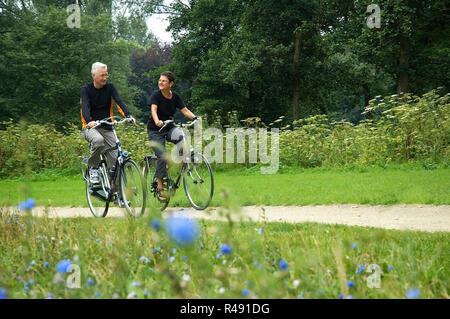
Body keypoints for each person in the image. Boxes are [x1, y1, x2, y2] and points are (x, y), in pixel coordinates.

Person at [80, 62, 136, 205]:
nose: (105, 78)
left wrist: (128, 116)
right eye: (102, 75)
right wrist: (89, 121)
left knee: (115, 161)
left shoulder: (110, 88)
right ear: (94, 76)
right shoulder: (86, 89)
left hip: (107, 127)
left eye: (106, 75)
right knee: (98, 141)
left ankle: (118, 196)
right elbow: (85, 107)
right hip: (90, 128)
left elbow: (119, 102)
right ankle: (92, 167)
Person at [147, 71, 200, 201]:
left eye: (164, 81)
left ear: (171, 84)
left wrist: (195, 117)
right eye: (160, 80)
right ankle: (160, 187)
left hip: (169, 127)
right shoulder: (156, 95)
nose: (160, 82)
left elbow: (184, 110)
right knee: (162, 155)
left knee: (182, 139)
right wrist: (157, 121)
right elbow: (153, 110)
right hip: (156, 130)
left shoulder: (175, 96)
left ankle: (179, 163)